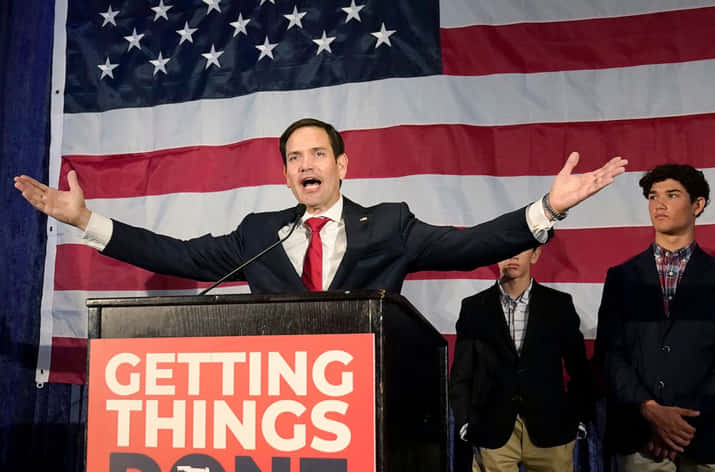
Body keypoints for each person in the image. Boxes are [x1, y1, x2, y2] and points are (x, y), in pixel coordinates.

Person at [13, 118, 627, 293]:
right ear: (285, 174)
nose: (306, 164)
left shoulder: (390, 224)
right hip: (282, 415)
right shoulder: (260, 232)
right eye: (294, 158)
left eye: (317, 154)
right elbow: (179, 255)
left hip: (365, 407)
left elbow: (471, 247)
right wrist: (85, 221)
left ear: (341, 165)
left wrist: (547, 207)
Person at [596, 164, 715, 472]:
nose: (659, 204)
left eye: (672, 195)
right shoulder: (622, 277)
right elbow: (610, 354)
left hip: (710, 433)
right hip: (641, 433)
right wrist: (651, 411)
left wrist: (679, 423)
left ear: (697, 205)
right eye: (653, 197)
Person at [449, 246, 591, 472]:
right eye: (506, 249)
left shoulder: (558, 305)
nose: (512, 256)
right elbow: (461, 374)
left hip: (552, 428)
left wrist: (578, 420)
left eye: (521, 249)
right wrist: (465, 423)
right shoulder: (474, 308)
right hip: (492, 429)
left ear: (535, 255)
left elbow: (580, 370)